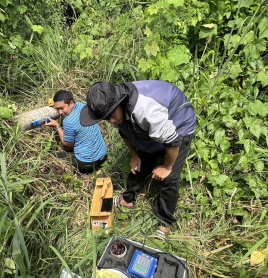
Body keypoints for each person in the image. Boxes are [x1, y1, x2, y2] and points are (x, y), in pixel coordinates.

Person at [80, 81, 196, 232]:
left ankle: (164, 223)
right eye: (107, 119)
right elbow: (124, 131)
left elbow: (172, 140)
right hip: (156, 124)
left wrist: (167, 167)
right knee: (141, 161)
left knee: (170, 176)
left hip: (180, 123)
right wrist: (135, 155)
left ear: (120, 103)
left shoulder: (145, 110)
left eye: (112, 116)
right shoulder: (114, 107)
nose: (111, 121)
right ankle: (127, 200)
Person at [46, 90, 108, 173]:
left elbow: (68, 145)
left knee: (52, 156)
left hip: (88, 162)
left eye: (62, 108)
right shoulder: (82, 106)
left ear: (71, 103)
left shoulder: (68, 122)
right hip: (103, 155)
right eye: (57, 109)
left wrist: (57, 126)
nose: (60, 112)